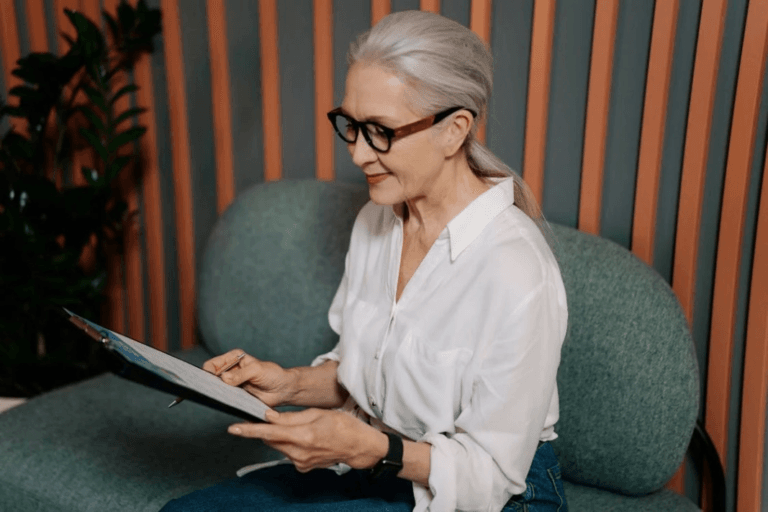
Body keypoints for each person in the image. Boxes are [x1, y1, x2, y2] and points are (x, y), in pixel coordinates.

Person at [161, 10, 568, 512]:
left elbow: (489, 476)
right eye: (350, 126)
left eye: (380, 131)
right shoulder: (377, 222)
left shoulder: (517, 270)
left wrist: (372, 449)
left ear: (454, 130)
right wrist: (287, 383)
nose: (357, 155)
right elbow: (365, 374)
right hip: (380, 463)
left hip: (495, 495)